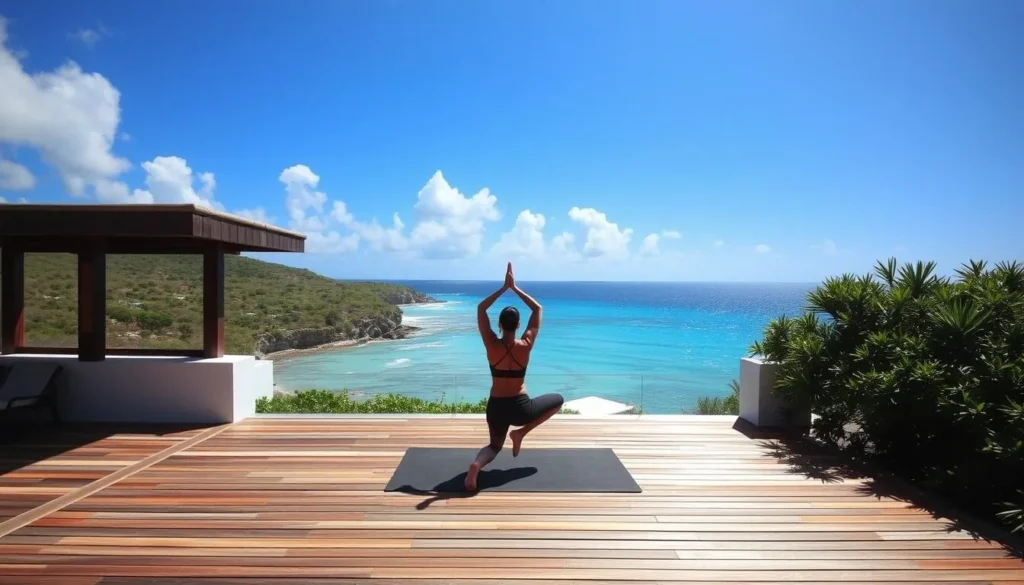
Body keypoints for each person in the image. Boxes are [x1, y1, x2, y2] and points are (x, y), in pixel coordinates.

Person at [465, 262, 564, 491]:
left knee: (493, 447)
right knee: (557, 400)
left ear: (499, 324)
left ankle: (476, 465)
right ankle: (520, 433)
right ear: (519, 325)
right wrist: (515, 288)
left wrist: (503, 288)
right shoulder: (525, 345)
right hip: (520, 408)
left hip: (496, 406)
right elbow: (537, 309)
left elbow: (480, 309)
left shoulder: (491, 345)